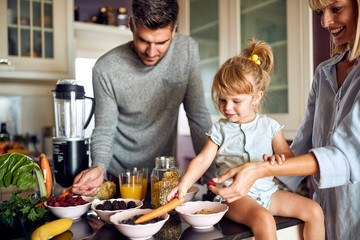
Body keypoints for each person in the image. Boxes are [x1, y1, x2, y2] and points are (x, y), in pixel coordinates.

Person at [209, 0, 360, 239]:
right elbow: (301, 146)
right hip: (326, 208)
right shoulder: (324, 73)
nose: (324, 22)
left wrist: (260, 169)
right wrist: (263, 168)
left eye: (336, 8)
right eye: (321, 12)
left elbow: (347, 156)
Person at [167, 39, 325, 240]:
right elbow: (202, 160)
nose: (227, 107)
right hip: (235, 197)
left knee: (314, 210)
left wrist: (279, 160)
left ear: (256, 97)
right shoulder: (220, 129)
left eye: (236, 101)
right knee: (264, 219)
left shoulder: (271, 127)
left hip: (269, 194)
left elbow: (288, 157)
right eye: (222, 99)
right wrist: (183, 184)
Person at [72, 0, 212, 196]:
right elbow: (104, 130)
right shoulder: (105, 69)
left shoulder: (186, 51)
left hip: (165, 176)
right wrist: (99, 166)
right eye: (144, 40)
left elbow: (198, 117)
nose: (151, 52)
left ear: (173, 31)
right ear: (131, 25)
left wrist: (212, 172)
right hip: (119, 178)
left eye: (161, 42)